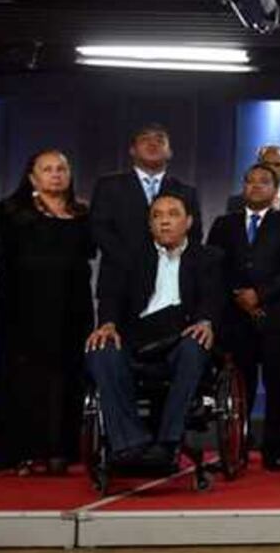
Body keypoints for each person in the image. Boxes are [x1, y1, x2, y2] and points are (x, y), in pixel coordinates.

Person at [83, 193, 223, 467]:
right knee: (100, 350)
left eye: (173, 214)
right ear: (149, 225)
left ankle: (167, 441)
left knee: (195, 345)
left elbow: (214, 297)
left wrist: (206, 321)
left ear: (189, 221)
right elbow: (111, 295)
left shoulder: (209, 257)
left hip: (183, 336)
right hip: (138, 338)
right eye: (157, 216)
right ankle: (130, 442)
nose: (165, 222)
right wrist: (108, 323)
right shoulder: (130, 257)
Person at [0, 150, 94, 476]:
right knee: (25, 379)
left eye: (62, 168)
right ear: (32, 177)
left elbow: (88, 254)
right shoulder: (9, 211)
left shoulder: (83, 212)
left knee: (66, 377)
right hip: (22, 307)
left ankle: (60, 450)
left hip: (71, 307)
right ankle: (23, 451)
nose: (56, 174)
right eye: (47, 169)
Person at [207, 164, 280, 471]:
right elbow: (212, 265)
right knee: (240, 385)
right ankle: (237, 448)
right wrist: (239, 294)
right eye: (249, 181)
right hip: (235, 319)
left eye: (263, 182)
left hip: (277, 316)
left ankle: (276, 450)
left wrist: (259, 295)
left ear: (275, 189)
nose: (255, 186)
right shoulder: (224, 224)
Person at [91, 124, 202, 270]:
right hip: (120, 278)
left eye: (160, 140)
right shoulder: (108, 186)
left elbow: (194, 234)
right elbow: (99, 230)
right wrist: (133, 263)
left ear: (169, 152)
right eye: (145, 139)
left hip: (170, 276)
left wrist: (167, 263)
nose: (152, 143)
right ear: (132, 150)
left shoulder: (186, 192)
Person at [225, 144, 280, 232]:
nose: (272, 168)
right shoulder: (236, 203)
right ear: (258, 167)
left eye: (277, 165)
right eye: (266, 164)